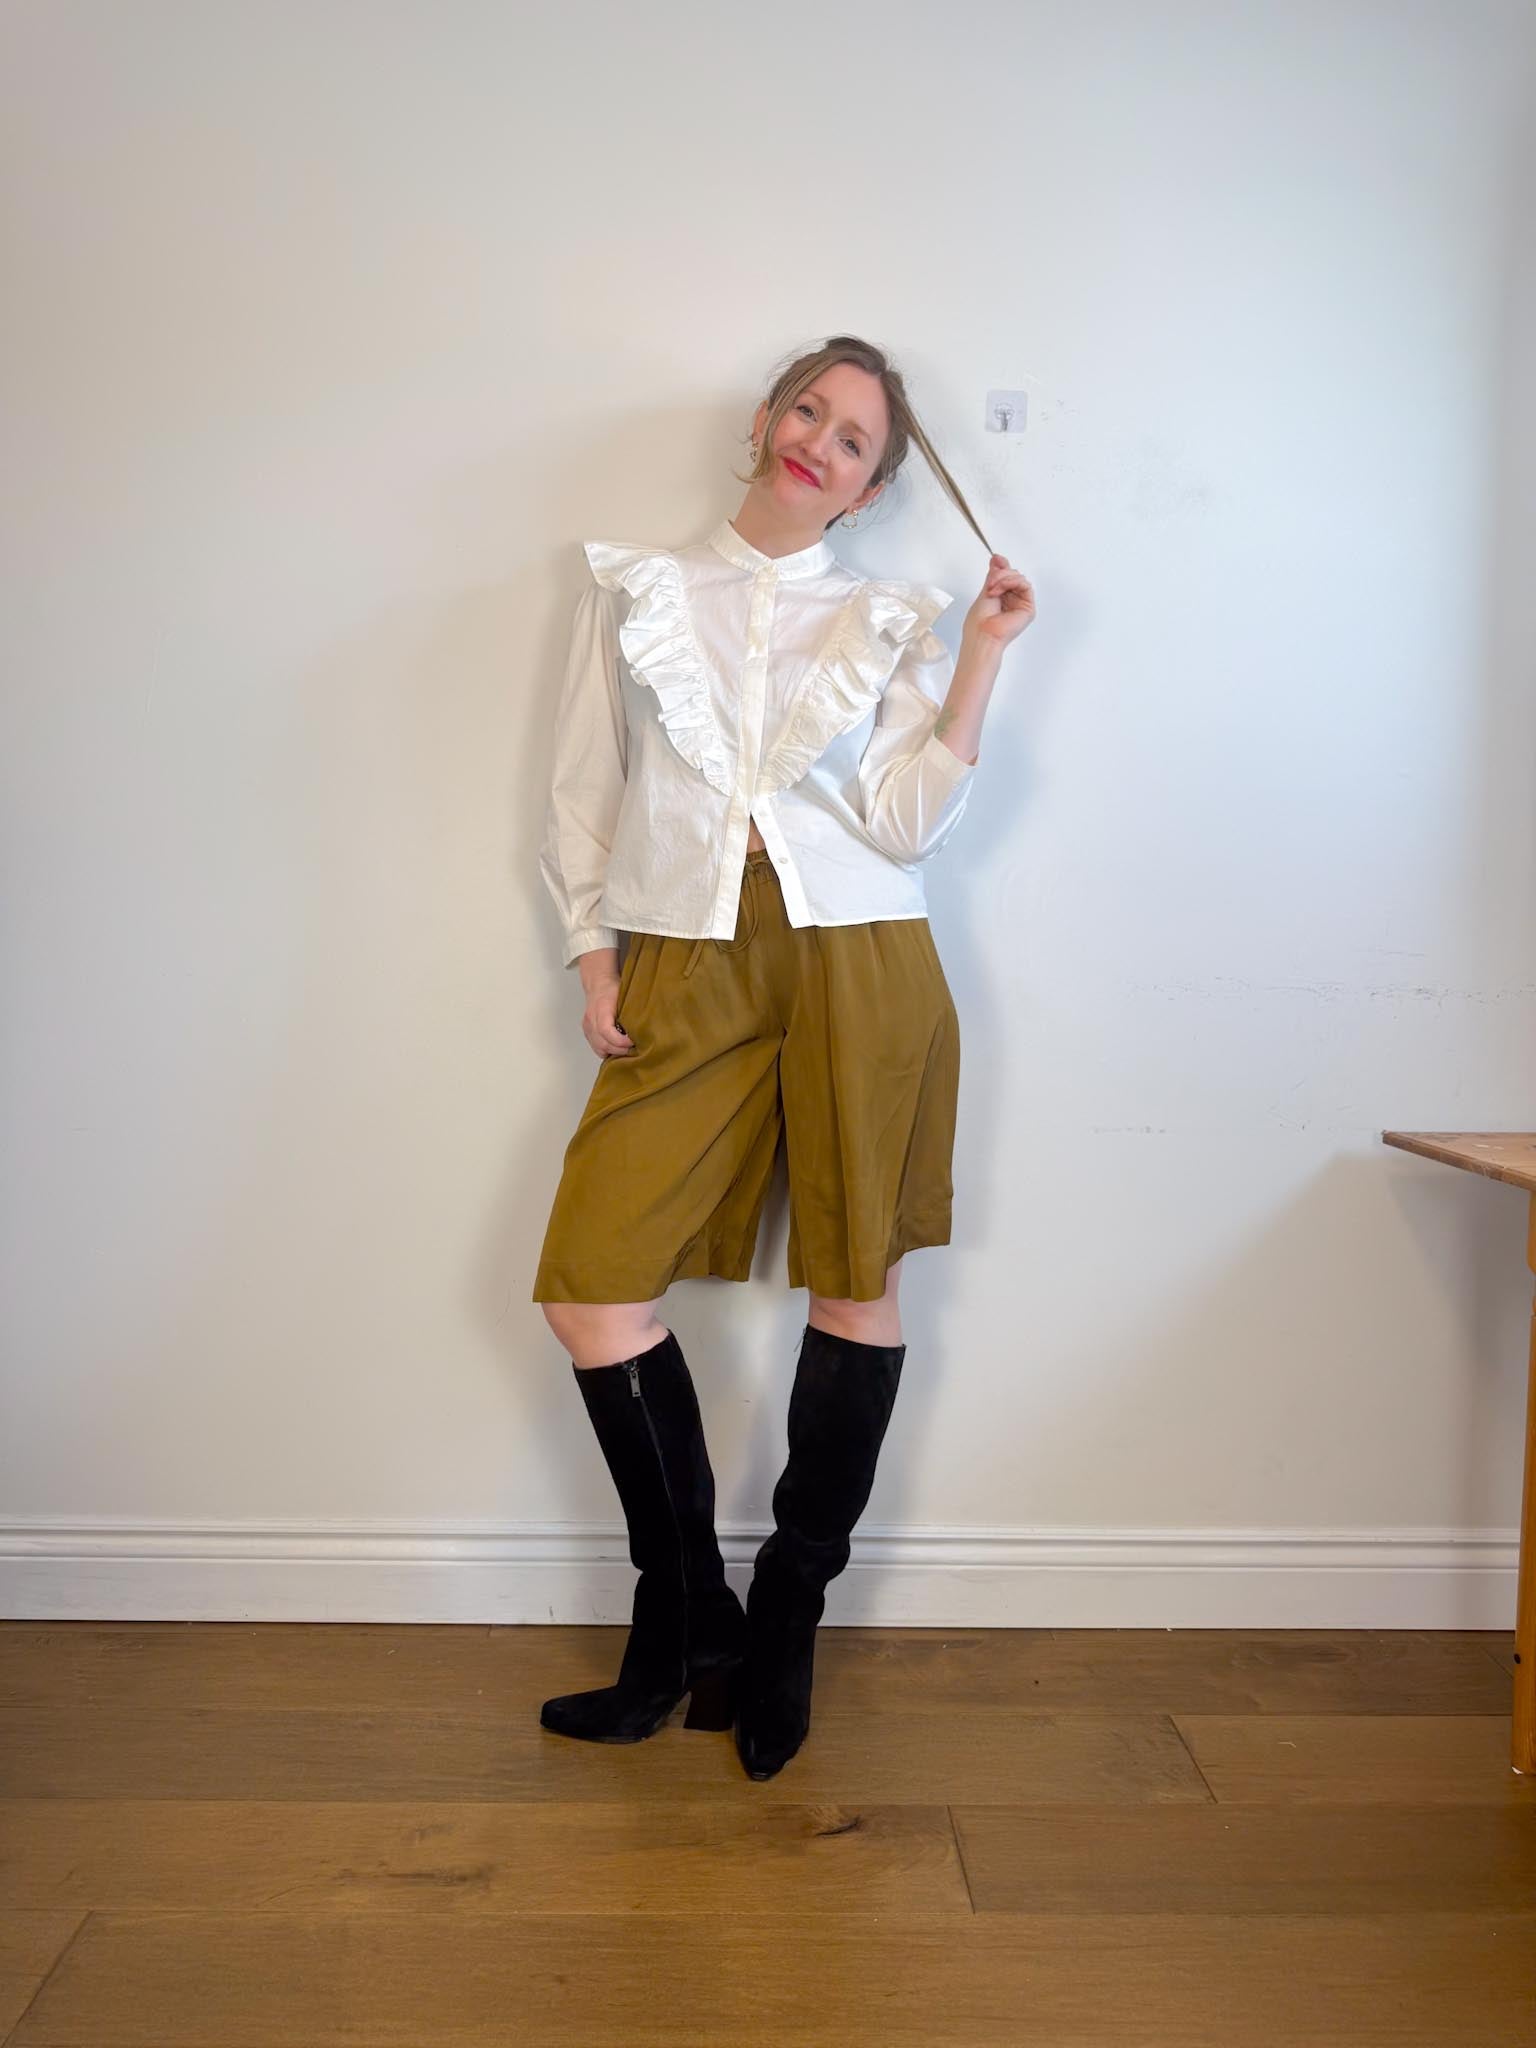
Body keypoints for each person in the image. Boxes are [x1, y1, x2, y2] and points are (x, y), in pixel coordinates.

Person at [530, 334, 1035, 1779]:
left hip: (860, 957)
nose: (821, 440)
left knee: (855, 1281)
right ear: (764, 422)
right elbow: (582, 792)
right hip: (686, 956)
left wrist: (979, 660)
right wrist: (594, 956)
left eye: (855, 439)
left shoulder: (883, 617)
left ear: (869, 489)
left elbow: (907, 822)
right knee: (590, 1291)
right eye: (810, 410)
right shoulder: (635, 588)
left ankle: (791, 1615)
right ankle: (690, 1614)